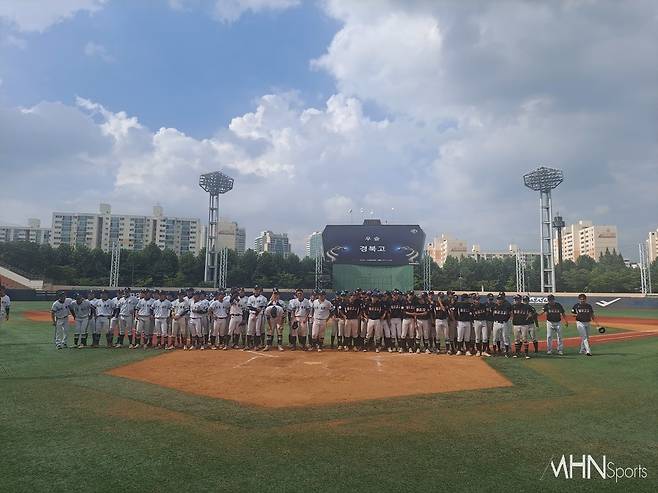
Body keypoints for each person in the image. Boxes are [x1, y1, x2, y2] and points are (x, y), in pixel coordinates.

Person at [246, 286, 268, 350]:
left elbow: (260, 308)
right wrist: (255, 309)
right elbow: (249, 306)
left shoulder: (263, 298)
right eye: (255, 290)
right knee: (249, 330)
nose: (256, 291)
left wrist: (255, 313)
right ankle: (248, 345)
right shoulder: (250, 298)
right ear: (253, 290)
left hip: (259, 315)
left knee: (257, 330)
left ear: (259, 291)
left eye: (257, 290)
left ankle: (256, 345)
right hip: (251, 314)